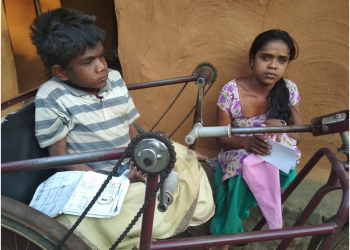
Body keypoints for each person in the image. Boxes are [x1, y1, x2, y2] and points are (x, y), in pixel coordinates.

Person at [30, 8, 214, 249]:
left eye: (101, 56)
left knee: (186, 163)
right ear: (61, 72)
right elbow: (61, 158)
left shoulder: (115, 80)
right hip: (94, 177)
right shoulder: (52, 97)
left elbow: (132, 133)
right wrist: (117, 181)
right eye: (88, 62)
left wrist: (140, 163)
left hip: (130, 162)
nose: (101, 67)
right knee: (143, 210)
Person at [208, 29, 302, 250]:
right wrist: (246, 143)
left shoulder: (289, 89)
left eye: (282, 60)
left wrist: (284, 128)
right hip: (238, 149)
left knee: (273, 162)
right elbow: (221, 138)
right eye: (266, 57)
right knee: (244, 168)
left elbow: (298, 135)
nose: (273, 65)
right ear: (252, 59)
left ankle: (226, 235)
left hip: (274, 154)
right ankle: (226, 237)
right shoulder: (231, 91)